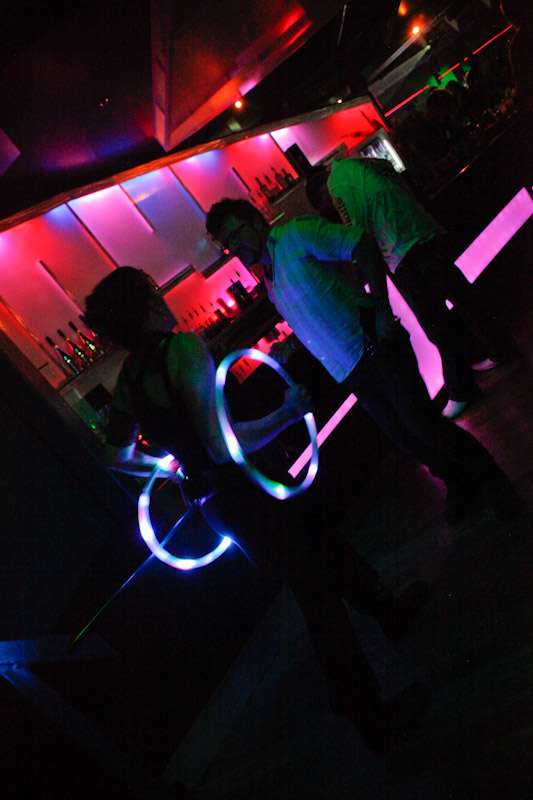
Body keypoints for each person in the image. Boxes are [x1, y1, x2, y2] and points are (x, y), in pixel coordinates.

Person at [84, 266, 431, 757]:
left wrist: (172, 467)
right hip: (248, 491)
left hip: (219, 506)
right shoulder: (181, 349)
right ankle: (367, 713)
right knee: (318, 595)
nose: (162, 298)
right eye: (153, 292)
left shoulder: (129, 380)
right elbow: (222, 446)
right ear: (147, 306)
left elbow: (114, 456)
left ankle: (389, 614)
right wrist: (286, 413)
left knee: (323, 550)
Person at [205, 198, 520, 526]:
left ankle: (494, 481)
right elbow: (316, 306)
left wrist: (382, 308)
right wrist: (292, 342)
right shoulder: (269, 278)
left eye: (236, 235)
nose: (235, 247)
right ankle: (460, 483)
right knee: (406, 440)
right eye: (228, 244)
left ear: (256, 221)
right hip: (352, 372)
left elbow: (362, 243)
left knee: (427, 428)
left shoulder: (296, 235)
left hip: (376, 349)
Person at [305, 157, 516, 418]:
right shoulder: (360, 164)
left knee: (436, 325)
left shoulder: (337, 185)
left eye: (327, 208)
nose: (331, 211)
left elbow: (358, 236)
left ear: (322, 195)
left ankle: (463, 390)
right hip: (424, 230)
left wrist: (355, 264)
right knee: (464, 298)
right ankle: (500, 348)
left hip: (404, 250)